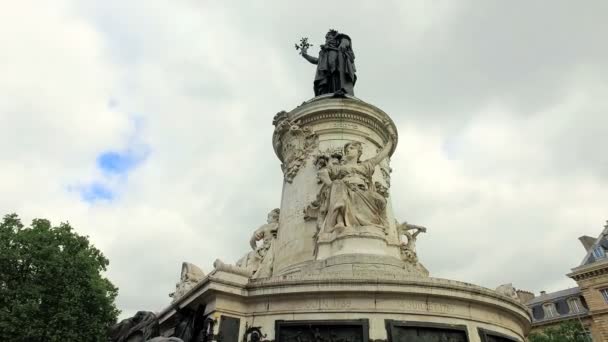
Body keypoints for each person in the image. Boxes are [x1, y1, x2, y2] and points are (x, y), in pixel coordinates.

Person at [317, 127, 396, 235]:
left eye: (351, 148)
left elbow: (380, 156)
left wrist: (391, 142)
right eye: (347, 149)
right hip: (346, 190)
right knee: (339, 187)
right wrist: (331, 185)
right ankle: (339, 222)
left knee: (381, 200)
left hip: (363, 191)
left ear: (359, 152)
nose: (348, 150)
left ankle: (385, 227)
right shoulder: (339, 168)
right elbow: (322, 173)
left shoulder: (365, 165)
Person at [300, 29, 357, 96]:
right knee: (326, 90)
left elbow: (346, 40)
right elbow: (316, 61)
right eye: (326, 38)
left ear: (334, 37)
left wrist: (343, 43)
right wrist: (305, 55)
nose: (326, 39)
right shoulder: (324, 52)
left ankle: (343, 91)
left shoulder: (338, 46)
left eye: (328, 37)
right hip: (327, 75)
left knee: (339, 81)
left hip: (339, 71)